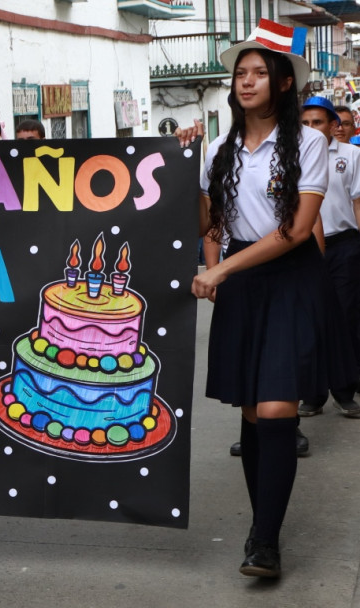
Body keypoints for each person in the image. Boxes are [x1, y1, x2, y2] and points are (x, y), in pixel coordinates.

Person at [177, 20, 352, 578]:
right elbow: (207, 223)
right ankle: (262, 528)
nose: (247, 81)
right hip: (243, 283)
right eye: (240, 74)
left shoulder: (310, 143)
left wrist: (221, 268)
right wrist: (185, 168)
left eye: (259, 72)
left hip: (292, 278)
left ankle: (266, 541)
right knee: (253, 412)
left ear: (283, 82)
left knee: (277, 410)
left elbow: (296, 230)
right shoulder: (219, 150)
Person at [297, 96, 360, 418]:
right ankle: (313, 394)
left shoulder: (351, 155)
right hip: (302, 247)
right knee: (309, 321)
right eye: (305, 123)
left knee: (344, 318)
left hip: (344, 247)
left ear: (333, 125)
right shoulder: (291, 156)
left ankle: (345, 390)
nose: (311, 128)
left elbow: (358, 203)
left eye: (317, 122)